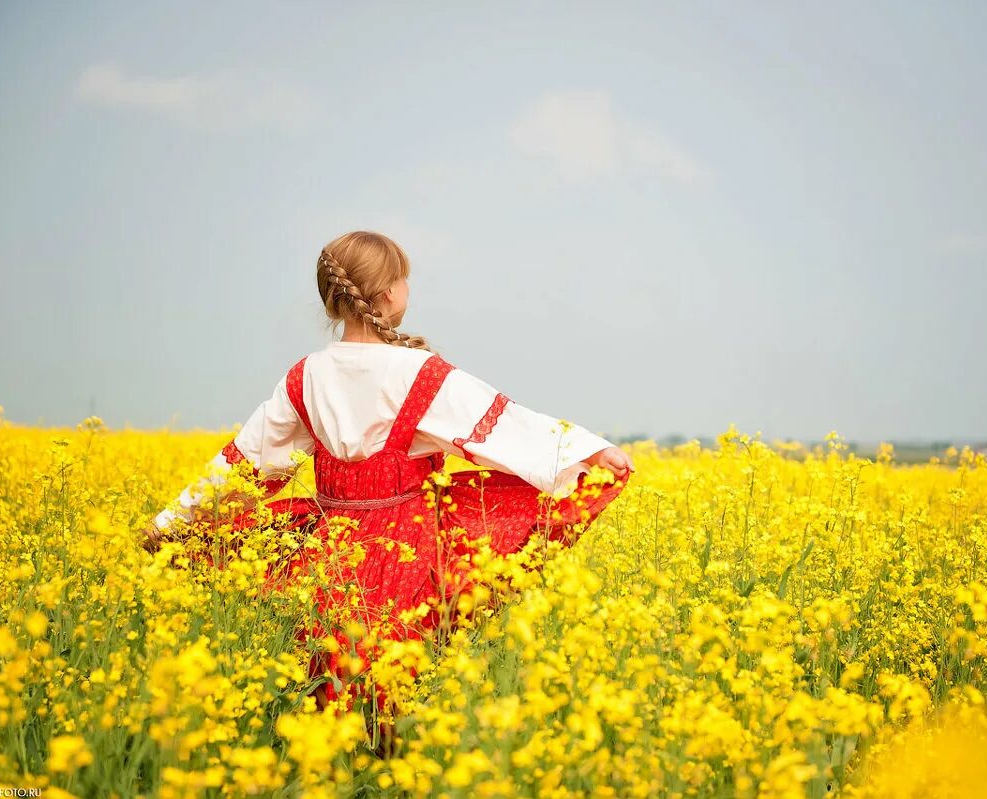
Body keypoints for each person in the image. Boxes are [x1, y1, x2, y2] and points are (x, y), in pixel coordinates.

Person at [141, 230, 634, 724]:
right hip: (409, 556)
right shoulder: (421, 374)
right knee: (396, 692)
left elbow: (241, 466)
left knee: (326, 686)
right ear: (390, 293)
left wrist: (168, 524)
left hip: (328, 557)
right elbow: (508, 429)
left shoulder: (305, 375)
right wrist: (589, 452)